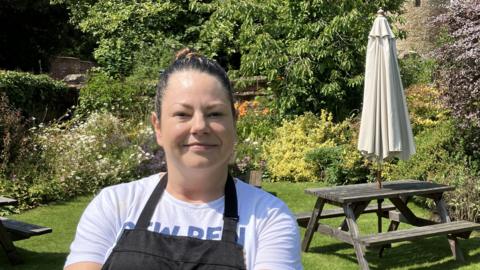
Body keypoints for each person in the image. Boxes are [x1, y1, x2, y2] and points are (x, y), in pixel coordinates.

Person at [64, 48, 302, 270]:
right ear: (158, 127)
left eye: (215, 113)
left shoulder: (269, 217)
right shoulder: (114, 205)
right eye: (182, 114)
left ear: (234, 123)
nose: (199, 126)